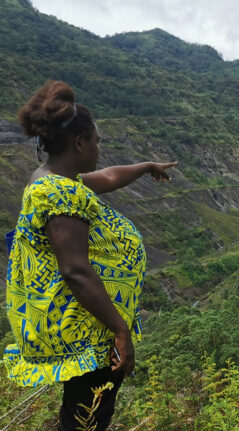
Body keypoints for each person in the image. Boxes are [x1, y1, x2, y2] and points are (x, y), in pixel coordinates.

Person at [3, 80, 176, 430]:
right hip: (89, 332)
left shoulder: (58, 180)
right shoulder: (58, 193)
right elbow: (75, 270)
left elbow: (110, 176)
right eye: (97, 141)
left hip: (91, 326)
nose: (100, 148)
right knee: (87, 418)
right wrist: (121, 331)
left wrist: (145, 166)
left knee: (89, 414)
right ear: (80, 143)